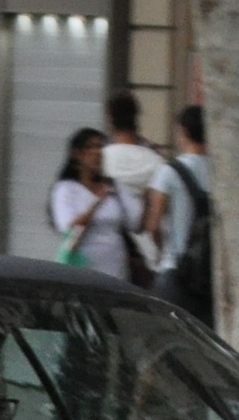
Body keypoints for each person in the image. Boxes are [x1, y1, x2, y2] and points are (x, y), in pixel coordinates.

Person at [141, 104, 214, 321]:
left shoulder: (169, 172)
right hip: (209, 280)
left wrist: (161, 249)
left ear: (183, 131)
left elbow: (153, 225)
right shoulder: (221, 173)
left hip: (175, 272)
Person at [49, 127, 145, 283]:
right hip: (82, 268)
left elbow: (136, 222)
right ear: (77, 154)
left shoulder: (112, 185)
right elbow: (69, 227)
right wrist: (97, 203)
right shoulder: (66, 189)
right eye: (91, 147)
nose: (97, 152)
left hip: (116, 270)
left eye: (100, 146)